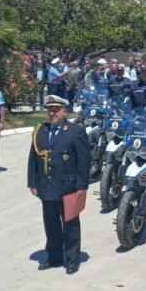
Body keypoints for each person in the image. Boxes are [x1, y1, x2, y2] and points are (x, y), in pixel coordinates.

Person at [28, 95, 90, 274]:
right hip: (46, 186)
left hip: (68, 187)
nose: (52, 113)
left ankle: (72, 260)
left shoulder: (75, 131)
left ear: (65, 111)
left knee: (70, 224)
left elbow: (83, 161)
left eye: (56, 109)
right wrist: (32, 182)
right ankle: (54, 257)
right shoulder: (40, 130)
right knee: (51, 223)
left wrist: (81, 186)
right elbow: (34, 158)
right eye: (50, 109)